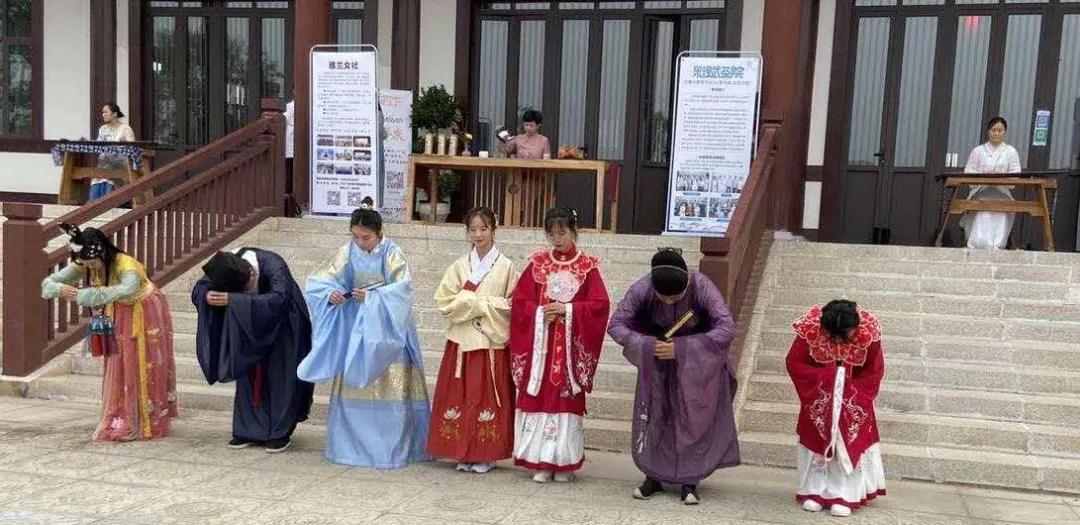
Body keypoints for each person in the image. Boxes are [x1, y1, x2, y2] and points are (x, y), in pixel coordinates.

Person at [297, 206, 431, 468]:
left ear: (379, 233)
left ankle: (390, 450)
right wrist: (332, 294)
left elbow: (402, 290)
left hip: (387, 329)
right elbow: (322, 280)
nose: (360, 242)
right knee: (353, 387)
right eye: (356, 236)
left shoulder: (392, 253)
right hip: (357, 328)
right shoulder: (347, 252)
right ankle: (349, 448)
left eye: (366, 237)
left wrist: (372, 298)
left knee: (391, 393)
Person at [608, 248, 740, 505]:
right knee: (656, 418)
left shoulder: (701, 286)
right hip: (657, 361)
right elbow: (616, 324)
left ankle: (690, 480)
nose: (669, 302)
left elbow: (726, 328)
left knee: (693, 419)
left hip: (696, 366)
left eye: (675, 297)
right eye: (663, 297)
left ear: (686, 283)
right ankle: (653, 477)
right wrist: (647, 344)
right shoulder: (643, 288)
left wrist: (681, 349)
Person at [42, 224, 177, 441]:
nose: (88, 267)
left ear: (102, 253)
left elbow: (128, 289)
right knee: (119, 362)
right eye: (85, 263)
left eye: (92, 263)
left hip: (142, 310)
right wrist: (60, 289)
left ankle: (144, 416)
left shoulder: (126, 264)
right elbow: (48, 284)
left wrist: (83, 295)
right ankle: (123, 412)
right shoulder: (85, 262)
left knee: (139, 360)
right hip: (117, 310)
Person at [509, 206, 610, 483]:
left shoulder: (587, 266)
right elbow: (520, 303)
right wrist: (541, 313)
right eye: (552, 233)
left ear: (573, 231)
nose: (557, 239)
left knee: (565, 399)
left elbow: (600, 306)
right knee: (540, 397)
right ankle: (540, 461)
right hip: (540, 349)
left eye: (562, 232)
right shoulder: (538, 264)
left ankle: (564, 462)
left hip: (568, 351)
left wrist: (568, 310)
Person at [192, 248, 315, 453]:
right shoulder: (226, 264)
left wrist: (235, 300)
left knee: (281, 377)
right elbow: (201, 287)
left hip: (285, 324)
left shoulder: (274, 264)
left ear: (251, 273)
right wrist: (206, 296)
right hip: (246, 323)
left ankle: (279, 433)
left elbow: (279, 298)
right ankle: (247, 431)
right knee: (248, 375)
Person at [427, 207, 517, 474]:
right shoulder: (459, 266)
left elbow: (513, 304)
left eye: (483, 229)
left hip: (489, 341)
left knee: (485, 398)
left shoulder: (506, 266)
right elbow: (444, 302)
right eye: (473, 229)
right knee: (460, 396)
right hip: (461, 341)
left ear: (493, 231)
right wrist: (479, 303)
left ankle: (486, 453)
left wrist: (477, 303)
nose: (478, 234)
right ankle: (460, 451)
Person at [786, 300, 886, 517]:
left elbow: (874, 371)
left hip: (854, 399)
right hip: (821, 398)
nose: (840, 340)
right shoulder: (810, 330)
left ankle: (845, 494)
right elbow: (795, 363)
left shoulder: (868, 333)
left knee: (847, 443)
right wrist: (828, 380)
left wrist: (850, 392)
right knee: (818, 444)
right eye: (834, 335)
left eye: (846, 334)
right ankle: (814, 490)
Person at [961, 116, 1022, 249]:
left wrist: (1001, 178)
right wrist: (983, 175)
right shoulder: (978, 151)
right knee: (983, 209)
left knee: (1002, 208)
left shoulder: (1011, 151)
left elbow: (1016, 174)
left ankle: (998, 243)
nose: (997, 133)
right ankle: (979, 242)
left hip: (1002, 192)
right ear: (988, 131)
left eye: (1000, 130)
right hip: (981, 191)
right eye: (994, 130)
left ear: (1004, 132)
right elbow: (969, 171)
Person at [90, 103, 137, 201]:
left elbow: (132, 148)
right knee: (98, 179)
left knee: (108, 176)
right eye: (102, 113)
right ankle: (94, 204)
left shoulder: (125, 129)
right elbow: (99, 145)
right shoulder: (103, 129)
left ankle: (108, 202)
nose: (103, 115)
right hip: (104, 163)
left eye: (105, 112)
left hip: (120, 163)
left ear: (114, 114)